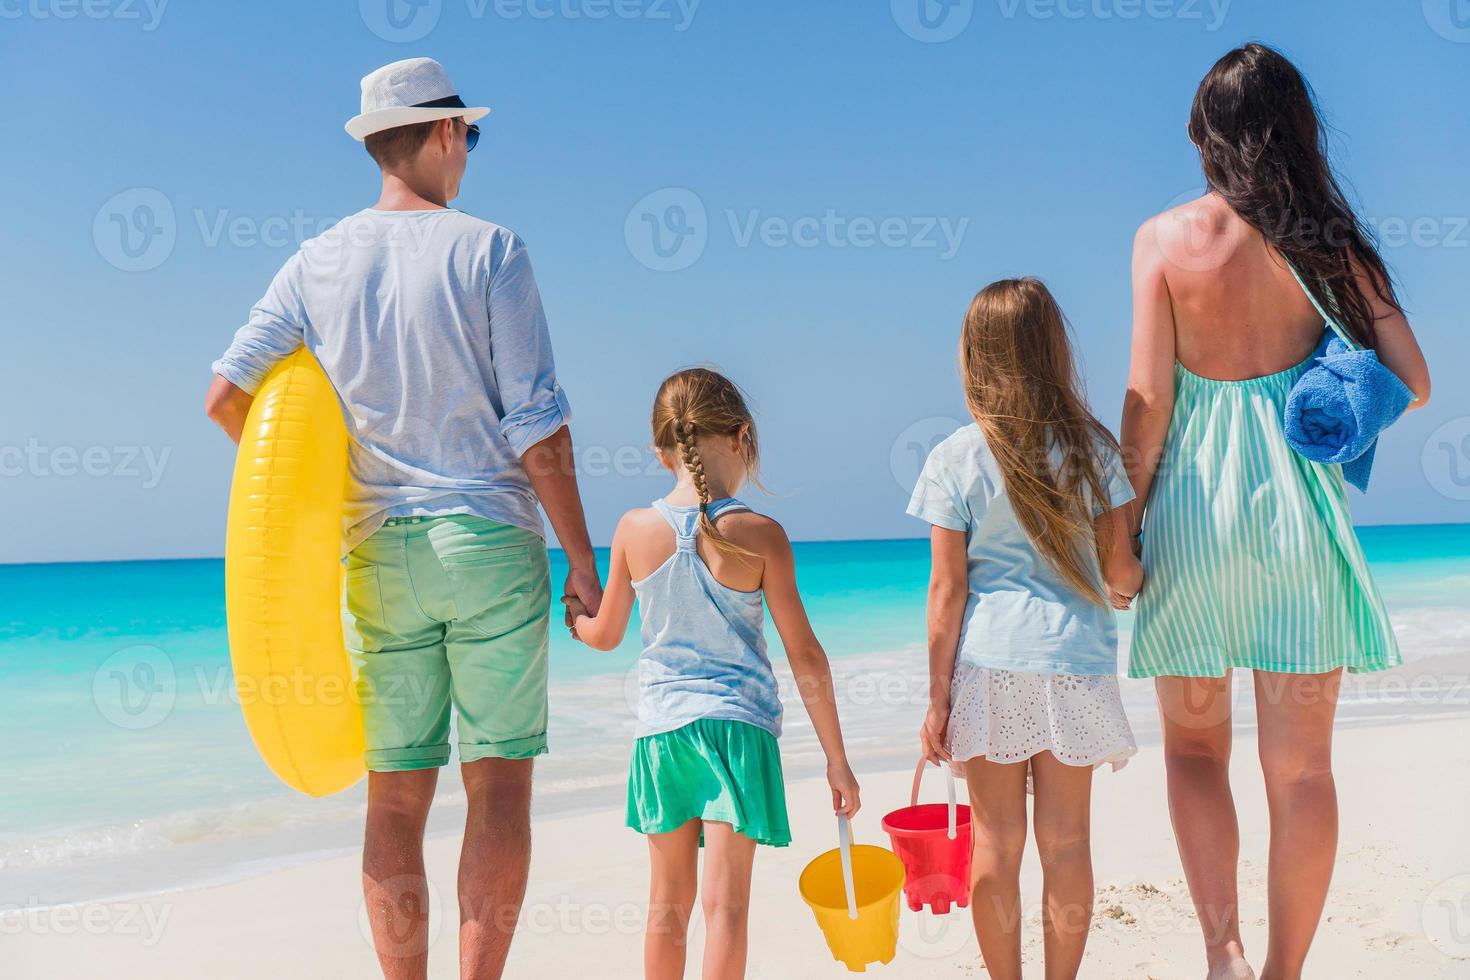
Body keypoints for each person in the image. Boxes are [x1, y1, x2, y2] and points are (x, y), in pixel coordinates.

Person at [204, 58, 603, 980]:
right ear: (437, 134)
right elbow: (537, 424)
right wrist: (582, 560)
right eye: (467, 132)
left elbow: (226, 397)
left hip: (376, 552)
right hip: (490, 541)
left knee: (394, 803)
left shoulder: (316, 262)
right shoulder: (490, 249)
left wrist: (317, 505)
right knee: (498, 784)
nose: (468, 150)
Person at [1121, 44, 1431, 980]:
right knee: (1300, 772)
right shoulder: (1328, 243)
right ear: (1296, 130)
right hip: (1296, 521)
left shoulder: (1163, 241)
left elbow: (1147, 405)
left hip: (1191, 525)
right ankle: (1281, 974)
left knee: (1193, 749)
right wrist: (1333, 391)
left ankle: (1221, 951)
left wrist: (1120, 535)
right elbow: (1414, 382)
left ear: (1207, 136)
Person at [569, 368, 861, 980]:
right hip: (737, 731)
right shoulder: (760, 534)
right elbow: (806, 655)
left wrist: (575, 617)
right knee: (726, 909)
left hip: (661, 735)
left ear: (660, 450)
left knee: (665, 909)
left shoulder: (632, 529)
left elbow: (606, 636)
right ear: (743, 436)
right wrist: (837, 759)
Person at [911, 278, 1141, 980]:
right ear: (1053, 349)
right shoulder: (1093, 449)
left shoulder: (954, 456)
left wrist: (936, 697)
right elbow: (1121, 572)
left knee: (994, 844)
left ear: (973, 355)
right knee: (1067, 844)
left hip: (989, 663)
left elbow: (948, 591)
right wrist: (1130, 587)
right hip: (1074, 658)